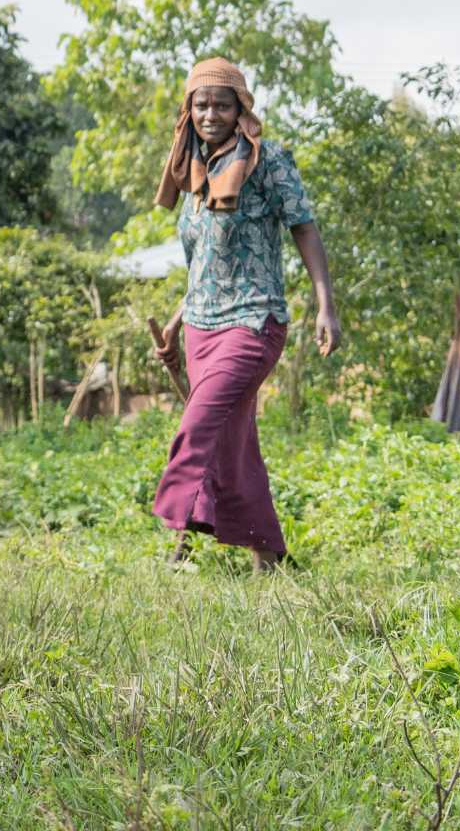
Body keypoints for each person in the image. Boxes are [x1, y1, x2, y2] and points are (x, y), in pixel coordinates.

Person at [147, 58, 342, 571]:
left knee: (200, 421)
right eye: (201, 104)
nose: (211, 113)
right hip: (199, 327)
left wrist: (326, 306)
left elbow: (304, 227)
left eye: (222, 104)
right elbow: (204, 262)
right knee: (234, 443)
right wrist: (174, 322)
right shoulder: (192, 168)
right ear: (188, 109)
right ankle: (269, 557)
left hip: (254, 321)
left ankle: (175, 532)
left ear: (241, 109)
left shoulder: (267, 161)